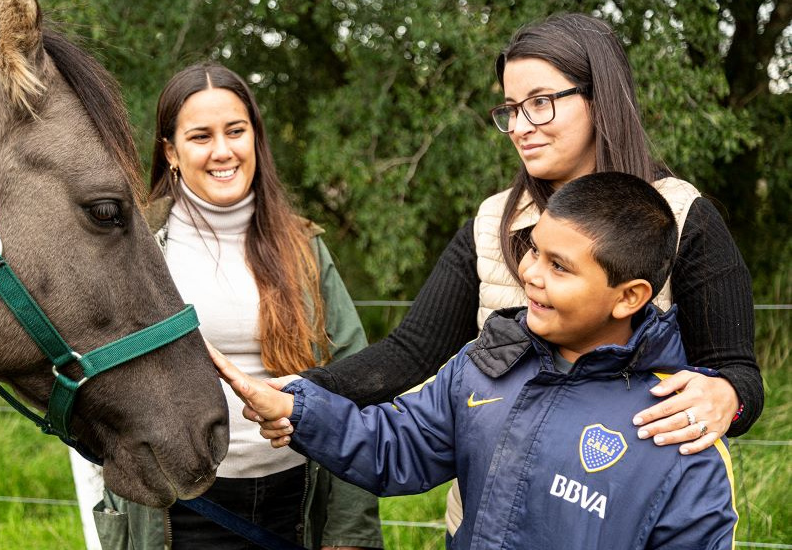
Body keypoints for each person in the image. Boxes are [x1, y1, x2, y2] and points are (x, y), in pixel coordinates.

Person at [252, 11, 762, 538]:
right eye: (512, 109)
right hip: (486, 523)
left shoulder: (682, 217)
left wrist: (726, 396)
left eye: (540, 103)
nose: (520, 127)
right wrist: (302, 395)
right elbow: (412, 352)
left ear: (599, 97)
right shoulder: (493, 219)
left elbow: (737, 374)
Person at [214, 171, 739, 549]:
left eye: (560, 266)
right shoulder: (488, 365)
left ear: (629, 297)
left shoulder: (678, 432)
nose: (531, 273)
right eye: (533, 250)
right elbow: (396, 447)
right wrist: (298, 409)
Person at [91, 62, 383, 550]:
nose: (223, 151)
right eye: (201, 136)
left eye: (236, 131)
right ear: (171, 152)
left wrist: (349, 529)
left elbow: (357, 383)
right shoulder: (135, 248)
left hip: (295, 503)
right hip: (182, 509)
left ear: (255, 139)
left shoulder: (304, 248)